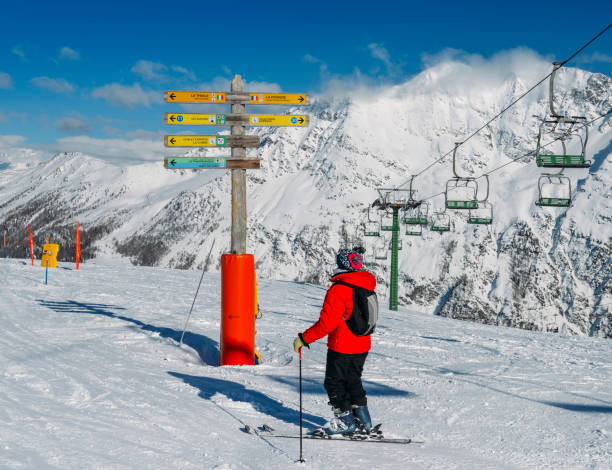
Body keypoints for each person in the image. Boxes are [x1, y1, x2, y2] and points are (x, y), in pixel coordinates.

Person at [293, 247, 376, 435]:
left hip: (342, 346)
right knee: (353, 381)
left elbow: (326, 324)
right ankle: (364, 421)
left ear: (341, 265)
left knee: (334, 383)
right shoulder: (366, 284)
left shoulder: (339, 289)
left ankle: (346, 423)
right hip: (362, 344)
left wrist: (304, 338)